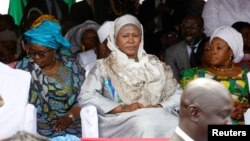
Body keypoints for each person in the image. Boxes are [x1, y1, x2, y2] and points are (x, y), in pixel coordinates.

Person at [78, 14, 182, 137]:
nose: (131, 40)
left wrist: (160, 106)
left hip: (158, 114)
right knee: (144, 124)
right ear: (115, 38)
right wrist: (122, 108)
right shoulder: (104, 67)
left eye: (135, 35)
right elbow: (86, 95)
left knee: (177, 125)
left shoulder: (155, 65)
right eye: (125, 36)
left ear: (141, 37)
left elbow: (179, 93)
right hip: (121, 120)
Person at [15, 20, 84, 137]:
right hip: (36, 123)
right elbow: (16, 96)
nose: (36, 57)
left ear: (54, 51)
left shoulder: (72, 68)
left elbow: (85, 98)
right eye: (32, 52)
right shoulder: (25, 66)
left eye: (42, 53)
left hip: (71, 120)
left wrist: (69, 117)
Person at [180, 26, 249, 125]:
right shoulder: (197, 75)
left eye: (218, 47)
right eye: (210, 48)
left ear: (231, 52)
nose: (213, 51)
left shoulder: (246, 75)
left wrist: (245, 108)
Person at [165, 14, 205, 81]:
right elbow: (173, 82)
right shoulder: (171, 52)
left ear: (202, 30)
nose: (188, 30)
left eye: (193, 27)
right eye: (185, 26)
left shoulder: (210, 48)